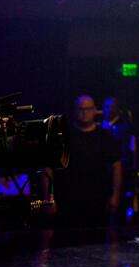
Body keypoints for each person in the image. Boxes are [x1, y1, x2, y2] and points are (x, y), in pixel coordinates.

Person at [49, 95, 122, 228]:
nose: (84, 112)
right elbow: (48, 167)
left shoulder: (105, 137)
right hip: (67, 200)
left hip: (97, 200)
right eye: (81, 109)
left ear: (95, 110)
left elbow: (116, 166)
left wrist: (115, 195)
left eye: (88, 109)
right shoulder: (62, 136)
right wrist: (49, 197)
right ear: (74, 111)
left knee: (96, 242)